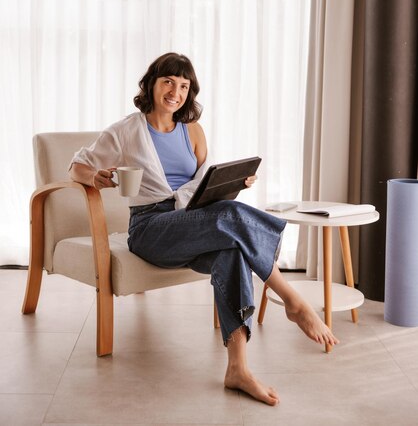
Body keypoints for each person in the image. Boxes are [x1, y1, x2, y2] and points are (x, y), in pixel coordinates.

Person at [69, 52, 338, 406]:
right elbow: (77, 166)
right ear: (151, 83)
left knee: (231, 250)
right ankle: (292, 299)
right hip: (150, 228)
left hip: (193, 219)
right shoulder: (125, 131)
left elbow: (201, 185)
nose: (175, 92)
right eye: (168, 81)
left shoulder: (193, 130)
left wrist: (232, 184)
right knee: (230, 217)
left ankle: (237, 368)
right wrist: (96, 176)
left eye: (183, 86)